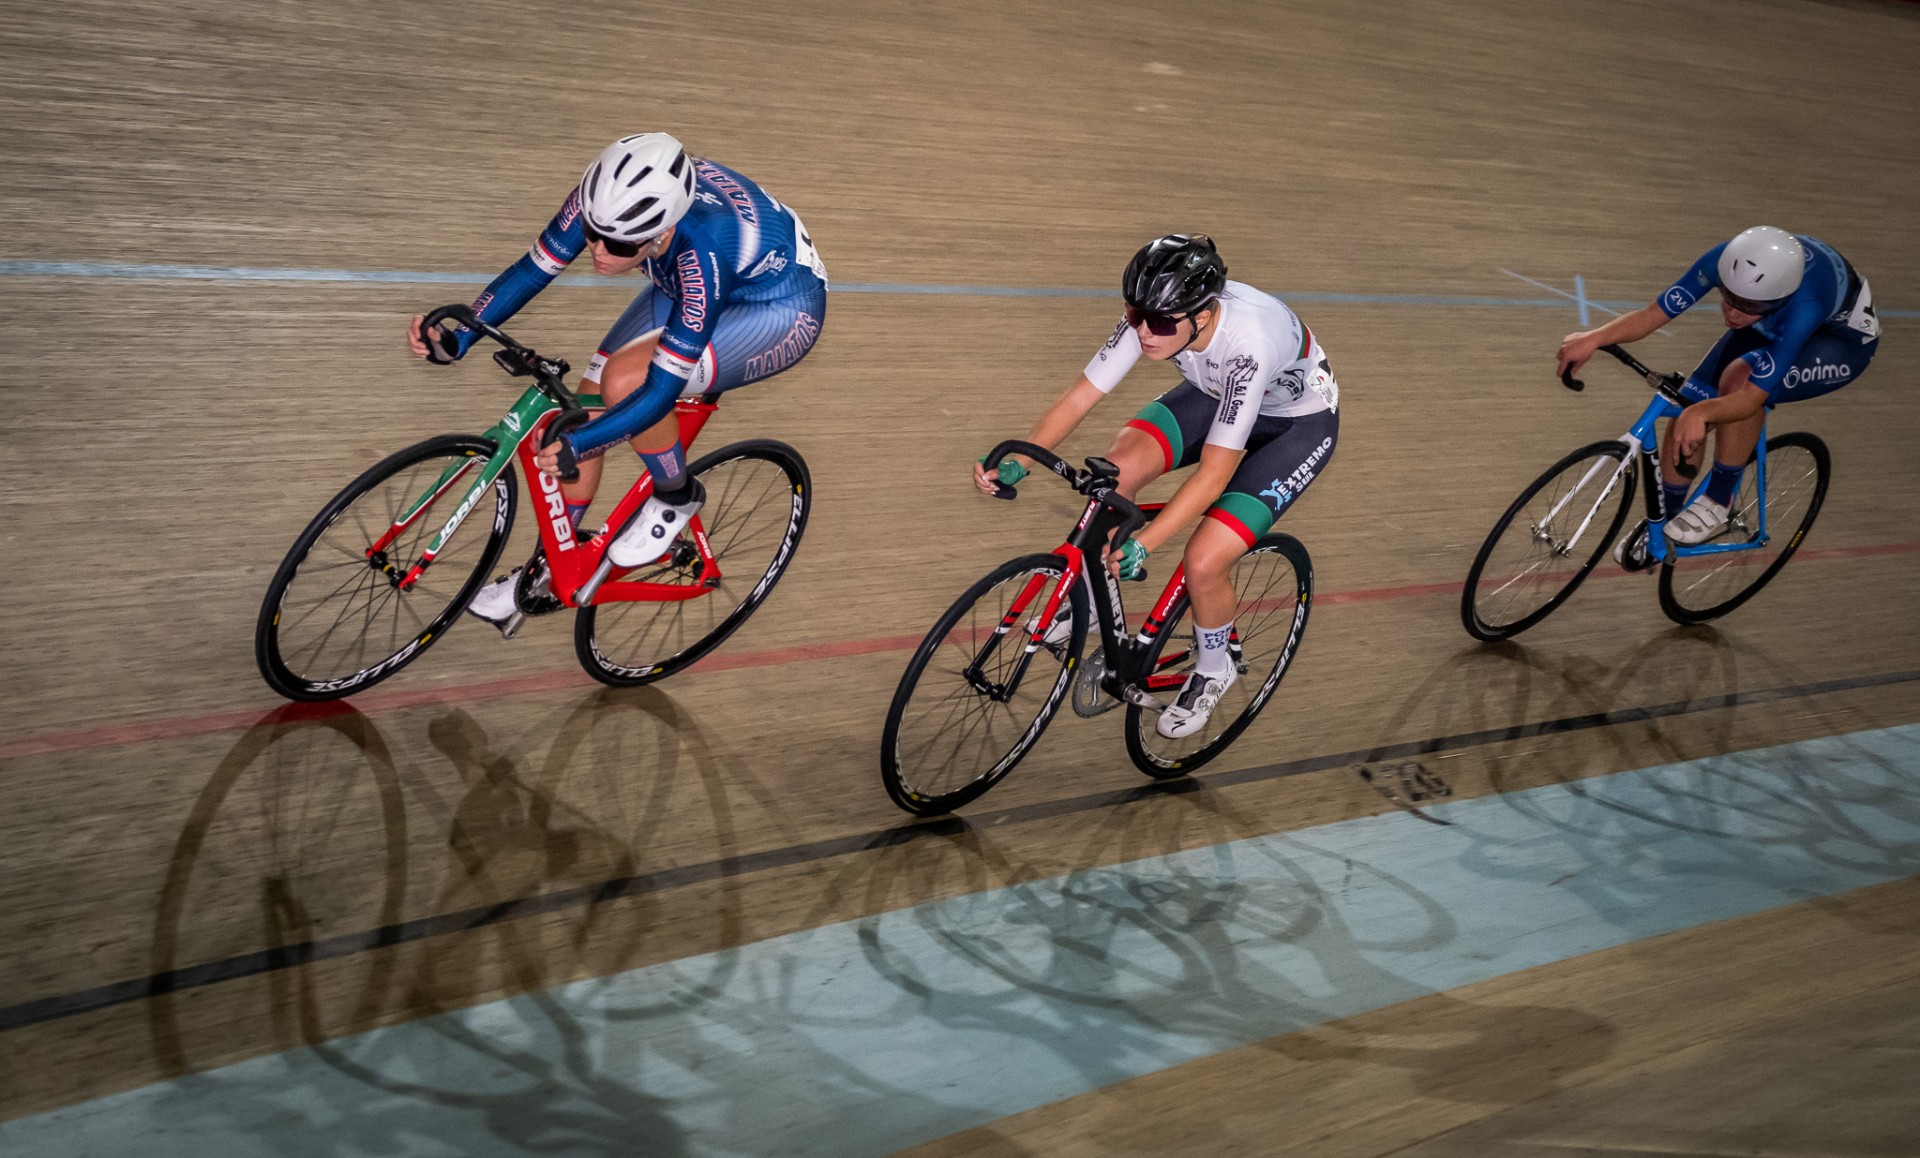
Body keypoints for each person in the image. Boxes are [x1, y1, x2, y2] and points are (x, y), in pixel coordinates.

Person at [407, 132, 829, 631]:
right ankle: (548, 571)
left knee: (624, 383)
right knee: (582, 403)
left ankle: (676, 495)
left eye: (618, 243)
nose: (597, 249)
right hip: (692, 280)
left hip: (777, 309)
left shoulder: (701, 251)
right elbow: (533, 270)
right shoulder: (607, 203)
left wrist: (581, 444)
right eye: (591, 231)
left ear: (659, 234)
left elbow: (654, 394)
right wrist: (460, 338)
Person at [974, 234, 1339, 738]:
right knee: (1115, 476)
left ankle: (1215, 667)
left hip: (1294, 426)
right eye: (1133, 314)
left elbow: (1213, 476)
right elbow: (1083, 395)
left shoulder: (1248, 345)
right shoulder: (1155, 314)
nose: (1144, 332)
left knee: (1205, 557)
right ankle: (1102, 606)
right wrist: (1022, 458)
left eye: (1161, 323)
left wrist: (1145, 543)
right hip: (1215, 393)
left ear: (1203, 315)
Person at [1557, 226, 1879, 568]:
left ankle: (1717, 500)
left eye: (1747, 306)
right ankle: (1664, 522)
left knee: (1738, 383)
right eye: (1727, 296)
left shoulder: (1805, 306)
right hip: (1772, 320)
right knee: (1689, 406)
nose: (1732, 313)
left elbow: (1751, 397)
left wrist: (1702, 414)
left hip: (1839, 343)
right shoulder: (1726, 260)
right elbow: (1653, 315)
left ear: (1778, 298)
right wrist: (1595, 337)